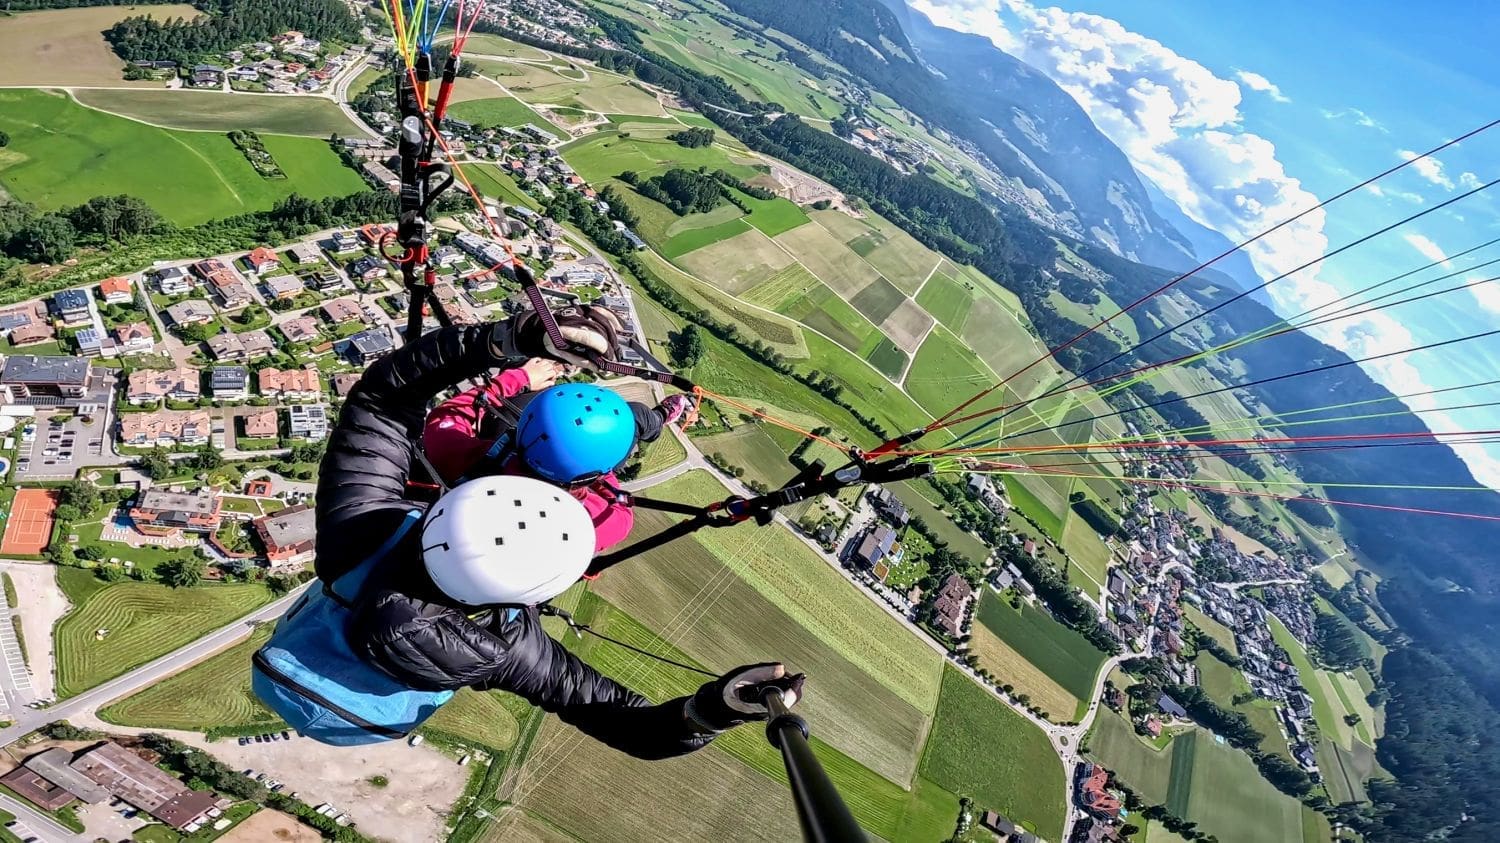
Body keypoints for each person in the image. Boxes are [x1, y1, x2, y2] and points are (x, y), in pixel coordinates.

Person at [315, 321, 802, 759]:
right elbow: (639, 730)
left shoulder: (361, 526)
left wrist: (508, 347)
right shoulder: (509, 640)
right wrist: (716, 710)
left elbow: (383, 397)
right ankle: (658, 416)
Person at [421, 305, 695, 555]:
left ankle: (545, 380)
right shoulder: (603, 522)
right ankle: (660, 417)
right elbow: (613, 494)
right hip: (582, 472)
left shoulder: (456, 453)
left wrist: (521, 377)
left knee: (528, 390)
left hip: (509, 455)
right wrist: (598, 463)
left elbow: (447, 415)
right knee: (636, 417)